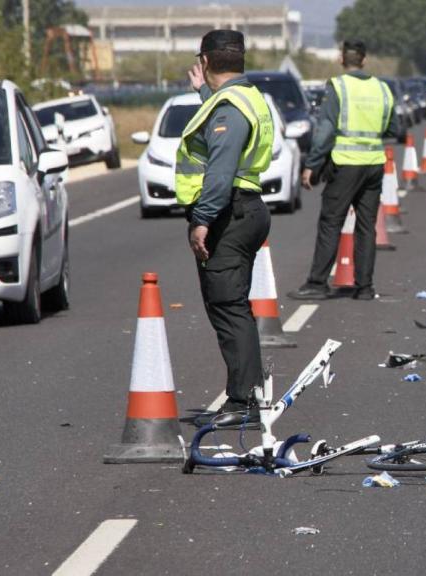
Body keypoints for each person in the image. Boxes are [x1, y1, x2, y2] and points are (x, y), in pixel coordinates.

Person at [177, 30, 273, 423]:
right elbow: (223, 130)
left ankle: (242, 402)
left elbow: (219, 171)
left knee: (229, 308)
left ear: (204, 60)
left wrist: (202, 220)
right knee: (234, 307)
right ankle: (247, 394)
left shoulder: (231, 105)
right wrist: (204, 93)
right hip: (244, 209)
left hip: (229, 214)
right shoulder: (242, 97)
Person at [288, 40, 398, 301]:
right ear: (364, 60)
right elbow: (393, 128)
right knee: (366, 227)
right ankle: (365, 287)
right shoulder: (382, 88)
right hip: (373, 164)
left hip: (346, 165)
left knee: (331, 223)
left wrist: (312, 165)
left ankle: (317, 283)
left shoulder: (338, 86)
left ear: (341, 59)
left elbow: (325, 131)